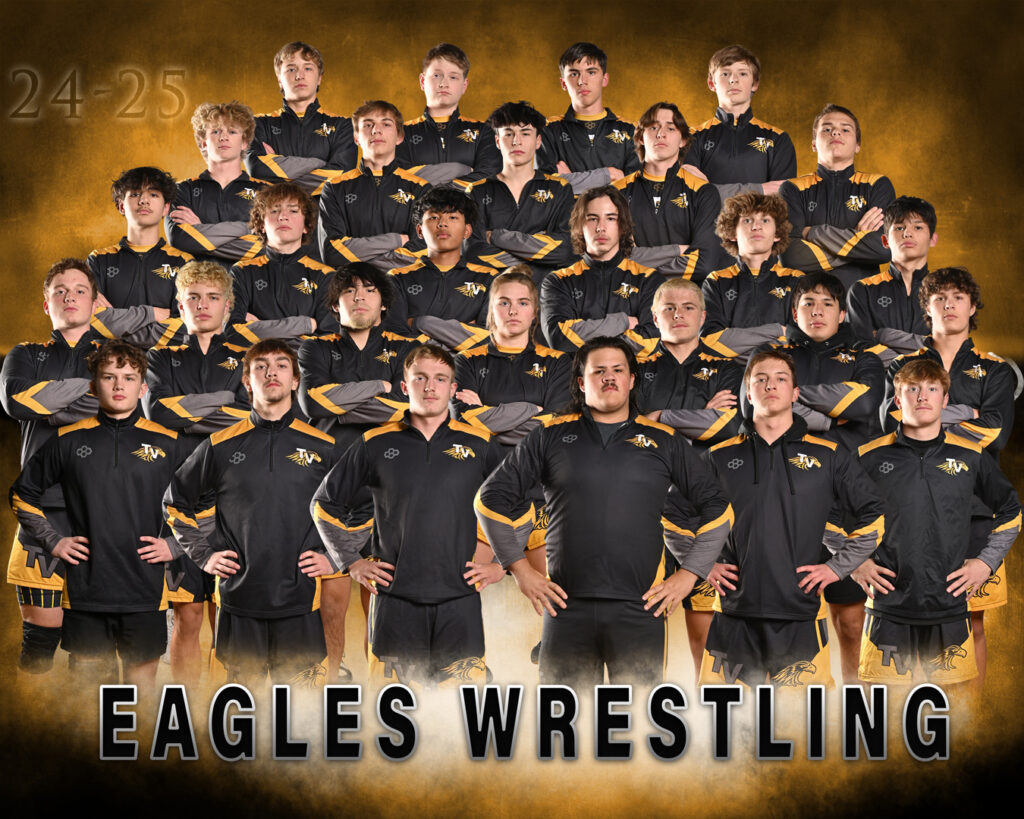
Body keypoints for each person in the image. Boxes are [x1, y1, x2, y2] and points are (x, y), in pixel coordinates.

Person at [476, 336, 733, 686]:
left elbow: (718, 508)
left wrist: (688, 575)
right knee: (562, 728)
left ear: (631, 380)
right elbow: (489, 499)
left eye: (618, 370)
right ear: (582, 383)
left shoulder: (664, 439)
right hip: (565, 608)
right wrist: (519, 570)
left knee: (639, 725)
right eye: (598, 371)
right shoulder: (549, 435)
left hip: (642, 608)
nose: (609, 378)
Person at [1, 260, 176, 674]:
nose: (69, 297)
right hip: (46, 510)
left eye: (80, 290)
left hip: (114, 515)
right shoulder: (25, 355)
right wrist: (91, 391)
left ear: (97, 302)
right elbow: (18, 402)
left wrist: (59, 399)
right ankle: (46, 735)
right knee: (41, 644)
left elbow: (131, 407)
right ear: (46, 305)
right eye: (59, 291)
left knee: (120, 648)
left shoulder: (117, 359)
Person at [313, 344, 503, 687]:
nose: (430, 387)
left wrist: (501, 563)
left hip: (459, 601)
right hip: (394, 601)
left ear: (453, 389)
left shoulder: (481, 443)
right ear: (405, 386)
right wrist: (350, 562)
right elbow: (324, 504)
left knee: (457, 717)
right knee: (392, 720)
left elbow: (518, 503)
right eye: (421, 378)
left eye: (440, 379)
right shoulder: (374, 442)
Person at [700, 350, 885, 687]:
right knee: (725, 728)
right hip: (733, 612)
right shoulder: (718, 455)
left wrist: (837, 567)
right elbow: (672, 512)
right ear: (748, 391)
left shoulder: (828, 454)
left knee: (802, 728)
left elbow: (873, 512)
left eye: (781, 379)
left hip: (801, 614)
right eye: (761, 379)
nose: (771, 385)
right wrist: (702, 564)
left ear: (795, 394)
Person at [163, 339, 341, 685]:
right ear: (247, 382)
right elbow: (175, 503)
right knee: (245, 714)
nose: (271, 371)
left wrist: (336, 558)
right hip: (238, 599)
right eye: (260, 366)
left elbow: (362, 508)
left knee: (300, 714)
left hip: (299, 601)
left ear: (295, 381)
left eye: (281, 365)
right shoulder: (218, 445)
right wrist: (203, 556)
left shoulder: (325, 447)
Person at [882, 267, 1018, 687]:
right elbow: (888, 422)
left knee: (970, 623)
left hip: (972, 512)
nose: (949, 304)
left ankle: (968, 728)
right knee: (901, 624)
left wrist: (929, 419)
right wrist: (966, 412)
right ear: (927, 307)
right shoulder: (900, 364)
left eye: (958, 297)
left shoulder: (994, 370)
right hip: (906, 509)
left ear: (972, 306)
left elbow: (995, 431)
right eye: (939, 298)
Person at [850, 359, 1020, 687]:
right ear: (898, 401)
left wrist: (986, 563)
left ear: (945, 400)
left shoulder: (971, 456)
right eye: (912, 389)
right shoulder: (868, 456)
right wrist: (855, 561)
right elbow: (827, 514)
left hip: (950, 609)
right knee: (880, 719)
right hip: (888, 608)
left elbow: (1011, 511)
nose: (922, 397)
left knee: (958, 721)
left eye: (931, 389)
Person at [298, 262, 422, 678]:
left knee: (381, 587)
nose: (360, 297)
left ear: (383, 304)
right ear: (335, 305)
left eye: (369, 290)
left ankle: (380, 681)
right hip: (330, 482)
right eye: (349, 291)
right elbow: (312, 404)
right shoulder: (314, 348)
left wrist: (346, 401)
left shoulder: (406, 350)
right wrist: (379, 387)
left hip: (390, 483)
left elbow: (410, 408)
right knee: (332, 594)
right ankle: (332, 675)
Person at [767, 272, 885, 683]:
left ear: (840, 312)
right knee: (783, 617)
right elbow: (757, 414)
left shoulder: (864, 356)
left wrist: (793, 396)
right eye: (808, 303)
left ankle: (851, 699)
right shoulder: (772, 355)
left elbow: (867, 402)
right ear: (794, 310)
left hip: (843, 501)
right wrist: (833, 410)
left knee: (850, 622)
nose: (817, 311)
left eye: (827, 304)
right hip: (784, 499)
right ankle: (787, 710)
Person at [144, 260, 256, 685]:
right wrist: (223, 403)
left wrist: (189, 410)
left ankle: (233, 716)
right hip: (182, 500)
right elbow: (157, 412)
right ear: (179, 304)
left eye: (212, 298)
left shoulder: (248, 358)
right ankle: (187, 708)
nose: (203, 305)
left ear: (228, 306)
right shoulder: (161, 356)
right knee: (187, 616)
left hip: (236, 500)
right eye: (194, 298)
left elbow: (251, 416)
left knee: (230, 614)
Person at [636, 277, 743, 678]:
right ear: (654, 316)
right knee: (644, 618)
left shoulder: (729, 368)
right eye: (669, 308)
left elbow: (729, 428)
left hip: (701, 509)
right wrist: (702, 414)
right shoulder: (634, 367)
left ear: (703, 316)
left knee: (706, 630)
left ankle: (708, 712)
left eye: (687, 308)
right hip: (643, 508)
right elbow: (629, 429)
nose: (678, 315)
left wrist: (660, 416)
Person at [454, 267, 572, 577]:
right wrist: (532, 408)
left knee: (553, 594)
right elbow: (466, 426)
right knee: (464, 585)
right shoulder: (466, 360)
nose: (512, 311)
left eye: (522, 303)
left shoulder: (558, 362)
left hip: (539, 493)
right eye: (503, 302)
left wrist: (489, 413)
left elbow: (555, 427)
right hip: (484, 488)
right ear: (490, 309)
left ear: (535, 311)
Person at [780, 104, 895, 291]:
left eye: (845, 129)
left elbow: (884, 249)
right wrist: (857, 239)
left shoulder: (877, 185)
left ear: (858, 145)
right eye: (827, 129)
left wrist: (813, 233)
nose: (835, 133)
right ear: (813, 143)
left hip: (861, 300)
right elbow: (790, 256)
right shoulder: (792, 189)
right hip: (809, 303)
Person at [540, 185, 660, 353]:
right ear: (580, 225)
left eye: (610, 218)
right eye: (592, 218)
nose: (600, 227)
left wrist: (585, 335)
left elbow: (652, 339)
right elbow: (559, 338)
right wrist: (623, 322)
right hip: (577, 378)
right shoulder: (557, 281)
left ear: (623, 226)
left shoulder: (649, 279)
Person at [464, 101, 576, 278]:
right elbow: (473, 253)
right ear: (497, 141)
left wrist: (496, 237)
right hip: (493, 296)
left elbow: (566, 250)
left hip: (544, 293)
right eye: (508, 134)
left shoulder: (560, 189)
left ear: (538, 141)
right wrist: (535, 254)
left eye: (525, 133)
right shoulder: (476, 191)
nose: (516, 141)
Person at [613, 102, 723, 281]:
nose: (660, 134)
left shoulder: (703, 192)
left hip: (686, 300)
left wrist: (639, 270)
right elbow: (612, 259)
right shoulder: (616, 193)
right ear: (640, 137)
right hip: (631, 300)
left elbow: (704, 264)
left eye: (670, 129)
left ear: (683, 140)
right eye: (653, 127)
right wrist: (679, 250)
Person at [317, 100, 431, 271]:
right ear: (356, 137)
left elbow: (423, 250)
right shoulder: (334, 188)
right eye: (368, 125)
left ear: (399, 137)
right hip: (352, 291)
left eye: (386, 124)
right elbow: (332, 254)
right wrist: (397, 240)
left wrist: (360, 265)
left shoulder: (421, 188)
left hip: (403, 291)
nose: (376, 130)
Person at [386, 187, 500, 350]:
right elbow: (395, 338)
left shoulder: (488, 278)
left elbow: (491, 338)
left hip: (468, 369)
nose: (442, 224)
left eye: (452, 217)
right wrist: (460, 333)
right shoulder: (397, 278)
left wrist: (419, 322)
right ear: (419, 230)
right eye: (433, 217)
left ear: (467, 231)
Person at [683, 45, 797, 199]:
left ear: (754, 84)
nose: (733, 80)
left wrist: (713, 192)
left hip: (758, 224)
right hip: (709, 224)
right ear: (711, 83)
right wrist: (761, 189)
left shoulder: (778, 139)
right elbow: (690, 197)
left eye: (742, 73)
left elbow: (783, 201)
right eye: (725, 73)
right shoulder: (690, 137)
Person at [246, 41, 357, 195]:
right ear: (279, 80)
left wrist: (277, 173)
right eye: (291, 69)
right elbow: (256, 168)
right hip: (277, 216)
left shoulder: (343, 125)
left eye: (308, 68)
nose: (299, 76)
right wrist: (319, 165)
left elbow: (342, 176)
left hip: (324, 217)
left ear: (319, 78)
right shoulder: (258, 124)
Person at [701, 192, 803, 360]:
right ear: (732, 233)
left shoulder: (796, 280)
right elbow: (709, 342)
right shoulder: (716, 281)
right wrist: (777, 331)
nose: (756, 226)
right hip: (729, 378)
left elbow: (799, 343)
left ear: (777, 233)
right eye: (747, 220)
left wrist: (737, 345)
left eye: (765, 220)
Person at [167, 101, 267, 264]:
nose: (223, 137)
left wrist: (200, 231)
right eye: (215, 131)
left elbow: (270, 247)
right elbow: (180, 240)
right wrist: (248, 228)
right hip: (198, 286)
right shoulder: (182, 190)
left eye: (232, 131)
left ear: (244, 143)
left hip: (250, 285)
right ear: (204, 143)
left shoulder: (266, 191)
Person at [230, 181, 337, 335]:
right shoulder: (241, 272)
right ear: (262, 225)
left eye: (293, 211)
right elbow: (233, 334)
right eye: (274, 210)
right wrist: (305, 325)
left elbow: (325, 343)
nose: (282, 217)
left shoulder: (326, 276)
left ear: (306, 225)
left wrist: (260, 328)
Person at [88, 166, 194, 317]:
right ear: (121, 206)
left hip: (166, 342)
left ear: (166, 207)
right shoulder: (98, 260)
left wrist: (117, 317)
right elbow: (92, 321)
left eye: (153, 194)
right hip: (113, 343)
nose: (144, 201)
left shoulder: (184, 262)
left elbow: (186, 323)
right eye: (135, 194)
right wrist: (156, 314)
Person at [538, 42, 641, 194]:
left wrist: (571, 180)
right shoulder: (547, 130)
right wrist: (609, 175)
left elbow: (636, 191)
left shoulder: (631, 130)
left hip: (615, 217)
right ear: (563, 83)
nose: (582, 81)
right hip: (567, 218)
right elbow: (545, 188)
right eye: (574, 74)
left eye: (591, 72)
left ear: (604, 79)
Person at [396, 43, 500, 188]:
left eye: (453, 77)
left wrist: (441, 188)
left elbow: (490, 177)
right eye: (437, 75)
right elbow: (397, 182)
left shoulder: (484, 131)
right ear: (422, 81)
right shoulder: (399, 133)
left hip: (468, 210)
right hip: (417, 211)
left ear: (464, 85)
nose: (444, 83)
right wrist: (461, 171)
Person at [846, 196, 937, 355]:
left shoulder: (945, 291)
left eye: (918, 227)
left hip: (934, 379)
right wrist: (926, 349)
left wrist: (883, 335)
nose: (908, 233)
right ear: (885, 241)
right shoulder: (862, 290)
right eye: (899, 228)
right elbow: (862, 351)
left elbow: (951, 348)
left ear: (932, 239)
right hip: (880, 379)